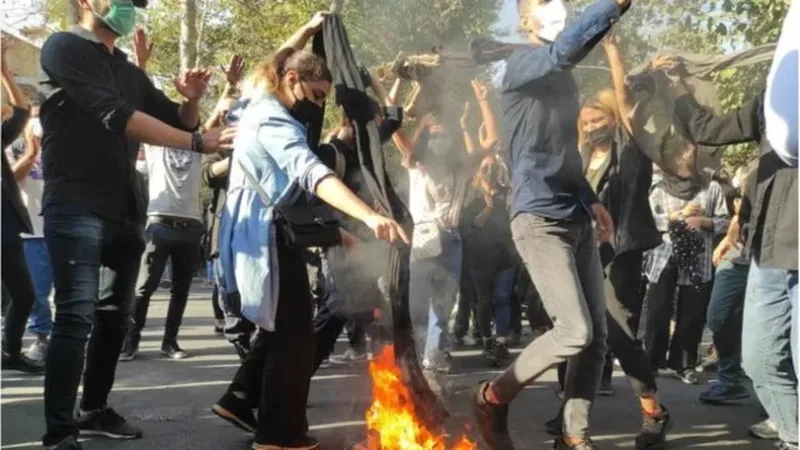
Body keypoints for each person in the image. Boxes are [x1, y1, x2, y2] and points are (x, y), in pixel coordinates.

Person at [37, 0, 235, 447]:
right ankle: (59, 432)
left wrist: (192, 100)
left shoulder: (128, 70)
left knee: (114, 316)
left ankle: (94, 409)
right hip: (76, 203)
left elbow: (176, 118)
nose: (130, 7)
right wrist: (195, 141)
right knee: (74, 316)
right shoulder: (63, 47)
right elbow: (117, 116)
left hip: (125, 209)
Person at [210, 13, 408, 450]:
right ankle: (279, 435)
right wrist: (370, 216)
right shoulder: (273, 119)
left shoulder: (263, 98)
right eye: (317, 95)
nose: (319, 105)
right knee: (296, 338)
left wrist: (308, 30)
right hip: (266, 237)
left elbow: (274, 61)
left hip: (268, 232)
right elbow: (309, 172)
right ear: (294, 80)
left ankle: (243, 401)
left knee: (286, 330)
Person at [470, 0, 624, 448]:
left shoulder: (562, 76)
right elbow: (564, 52)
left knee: (594, 339)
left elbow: (564, 154)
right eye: (543, 1)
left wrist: (591, 199)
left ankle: (574, 436)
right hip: (538, 219)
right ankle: (492, 395)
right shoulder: (522, 64)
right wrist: (612, 6)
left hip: (574, 217)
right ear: (525, 19)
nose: (557, 5)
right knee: (574, 330)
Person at [548, 34, 673, 448]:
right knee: (575, 330)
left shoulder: (631, 147)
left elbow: (622, 99)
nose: (591, 127)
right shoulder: (582, 156)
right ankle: (571, 417)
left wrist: (613, 52)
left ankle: (653, 410)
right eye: (585, 123)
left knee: (617, 333)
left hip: (622, 249)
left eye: (597, 121)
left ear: (613, 119)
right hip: (584, 249)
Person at [667, 65, 798, 450]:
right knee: (760, 360)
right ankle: (793, 433)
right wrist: (678, 86)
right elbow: (709, 129)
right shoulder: (775, 97)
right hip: (769, 247)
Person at [120, 28, 222, 361]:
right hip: (159, 222)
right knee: (145, 287)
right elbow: (136, 107)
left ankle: (169, 342)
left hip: (191, 225)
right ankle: (131, 341)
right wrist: (140, 64)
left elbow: (217, 114)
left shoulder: (196, 144)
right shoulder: (155, 142)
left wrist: (205, 95)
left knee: (181, 289)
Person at [389, 76, 483, 375]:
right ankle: (411, 355)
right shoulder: (417, 164)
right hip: (423, 240)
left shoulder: (461, 168)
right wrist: (401, 82)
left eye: (445, 136)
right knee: (416, 302)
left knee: (444, 303)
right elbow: (391, 121)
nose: (440, 142)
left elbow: (490, 143)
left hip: (452, 239)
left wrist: (481, 104)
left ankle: (434, 354)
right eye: (435, 136)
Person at [458, 79, 518, 367]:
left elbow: (495, 145)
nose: (490, 168)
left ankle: (502, 339)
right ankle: (485, 339)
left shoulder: (506, 190)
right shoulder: (470, 197)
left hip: (505, 255)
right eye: (485, 167)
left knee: (502, 297)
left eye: (492, 166)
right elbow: (473, 226)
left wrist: (485, 106)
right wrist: (467, 128)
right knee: (483, 300)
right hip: (480, 258)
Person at [1, 33, 44, 374]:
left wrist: (4, 71)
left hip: (6, 228)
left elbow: (21, 111)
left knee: (24, 294)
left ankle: (10, 352)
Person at [6, 112, 54, 363]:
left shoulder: (62, 147)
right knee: (36, 292)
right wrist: (31, 152)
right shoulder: (13, 149)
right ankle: (42, 337)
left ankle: (71, 341)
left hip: (62, 231)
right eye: (33, 116)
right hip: (32, 232)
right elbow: (10, 179)